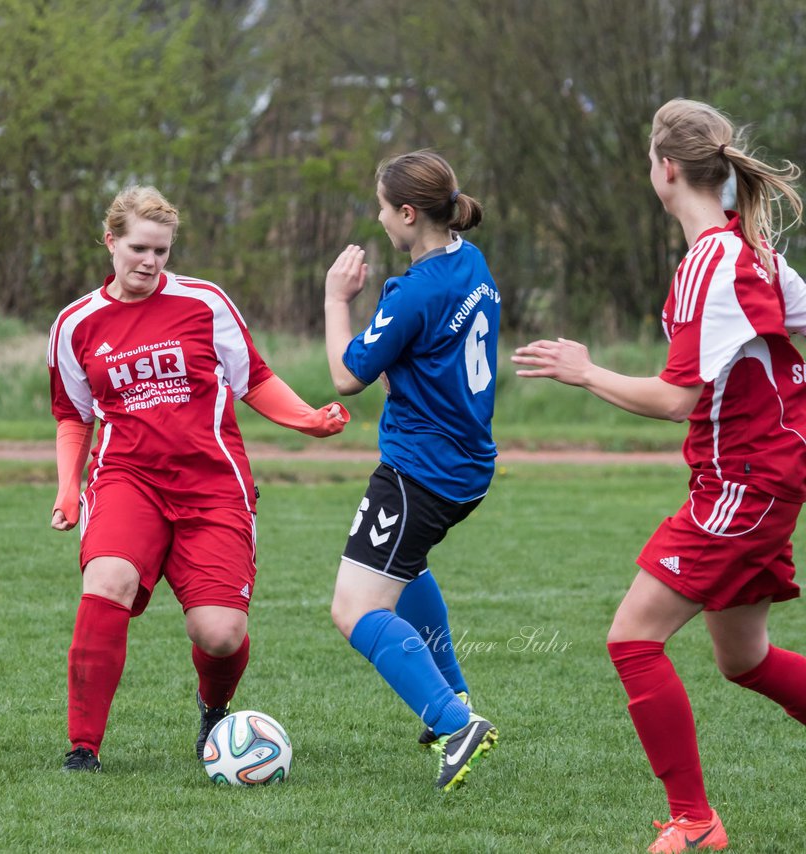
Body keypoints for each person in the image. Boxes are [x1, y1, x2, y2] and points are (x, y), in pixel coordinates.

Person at [513, 98, 806, 852]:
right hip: (753, 480)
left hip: (742, 485)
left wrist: (585, 372)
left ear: (665, 168)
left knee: (632, 639)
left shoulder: (718, 263)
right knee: (743, 658)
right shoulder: (754, 256)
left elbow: (677, 399)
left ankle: (695, 823)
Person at [48, 185, 350, 773]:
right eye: (138, 247)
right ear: (109, 241)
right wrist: (67, 486)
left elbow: (255, 378)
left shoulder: (204, 302)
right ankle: (83, 748)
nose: (150, 261)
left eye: (161, 250)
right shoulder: (76, 324)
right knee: (106, 580)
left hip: (212, 487)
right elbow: (72, 414)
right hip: (126, 478)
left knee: (219, 633)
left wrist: (307, 419)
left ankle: (215, 710)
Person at [323, 150, 501, 791]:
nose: (379, 219)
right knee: (407, 566)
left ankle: (456, 722)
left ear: (406, 213)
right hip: (468, 466)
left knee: (353, 609)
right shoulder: (469, 262)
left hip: (418, 472)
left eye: (381, 207)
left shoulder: (414, 292)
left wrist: (335, 298)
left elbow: (347, 377)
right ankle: (452, 691)